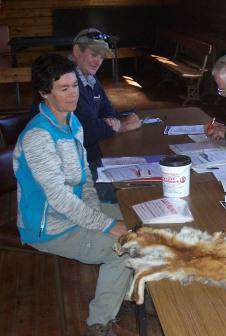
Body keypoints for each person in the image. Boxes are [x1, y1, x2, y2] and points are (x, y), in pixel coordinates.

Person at [14, 53, 133, 336]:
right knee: (123, 248)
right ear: (45, 93)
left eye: (75, 86)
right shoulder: (38, 137)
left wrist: (97, 214)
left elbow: (84, 178)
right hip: (49, 227)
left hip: (73, 212)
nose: (73, 94)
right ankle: (98, 324)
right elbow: (59, 199)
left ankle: (119, 290)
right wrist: (105, 224)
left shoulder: (72, 123)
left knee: (136, 221)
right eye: (64, 88)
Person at [30, 28, 141, 165]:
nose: (98, 61)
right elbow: (87, 131)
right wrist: (121, 126)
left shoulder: (89, 78)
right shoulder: (63, 79)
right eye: (94, 54)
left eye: (101, 57)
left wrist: (108, 124)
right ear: (77, 51)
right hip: (77, 160)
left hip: (82, 159)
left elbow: (108, 111)